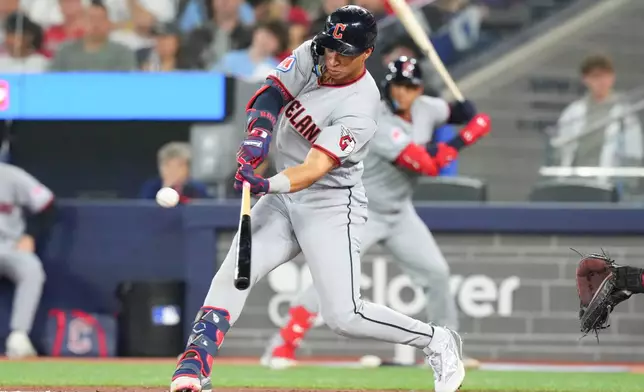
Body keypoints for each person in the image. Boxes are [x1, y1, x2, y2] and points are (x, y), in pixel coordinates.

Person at [170, 6, 487, 392]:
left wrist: (266, 183)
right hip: (284, 195)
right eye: (330, 47)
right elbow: (269, 95)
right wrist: (258, 138)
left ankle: (436, 339)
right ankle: (194, 364)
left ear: (367, 52)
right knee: (236, 272)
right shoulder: (313, 53)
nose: (333, 59)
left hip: (330, 204)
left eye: (345, 53)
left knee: (344, 316)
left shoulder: (361, 108)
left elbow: (313, 169)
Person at [260, 56, 488, 370]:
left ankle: (447, 351)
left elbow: (451, 111)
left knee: (437, 274)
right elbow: (427, 164)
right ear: (388, 86)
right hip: (360, 208)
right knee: (330, 280)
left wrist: (464, 112)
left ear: (419, 89)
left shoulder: (427, 108)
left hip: (400, 211)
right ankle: (281, 348)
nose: (404, 93)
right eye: (398, 86)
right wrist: (468, 135)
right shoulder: (375, 119)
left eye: (410, 87)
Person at [552, 54, 643, 179]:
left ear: (612, 78)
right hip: (575, 180)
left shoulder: (625, 113)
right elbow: (560, 148)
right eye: (595, 77)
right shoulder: (573, 112)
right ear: (585, 80)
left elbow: (634, 154)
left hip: (609, 184)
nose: (601, 81)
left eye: (606, 76)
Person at [0, 162, 56, 358]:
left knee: (32, 269)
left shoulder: (10, 175)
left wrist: (30, 235)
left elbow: (47, 203)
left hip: (9, 245)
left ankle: (18, 336)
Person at [49, 1, 136, 71]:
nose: (96, 24)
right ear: (82, 22)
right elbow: (51, 81)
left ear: (109, 23)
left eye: (100, 19)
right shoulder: (65, 51)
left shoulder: (122, 53)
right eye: (91, 19)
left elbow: (125, 84)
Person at [213, 20, 289, 82]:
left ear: (278, 47)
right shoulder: (230, 59)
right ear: (256, 33)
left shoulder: (278, 71)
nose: (266, 40)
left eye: (273, 39)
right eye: (266, 34)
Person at [139, 142, 210, 201]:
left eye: (179, 165)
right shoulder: (151, 188)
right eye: (168, 166)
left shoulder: (198, 189)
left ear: (188, 168)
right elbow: (145, 213)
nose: (174, 171)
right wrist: (165, 188)